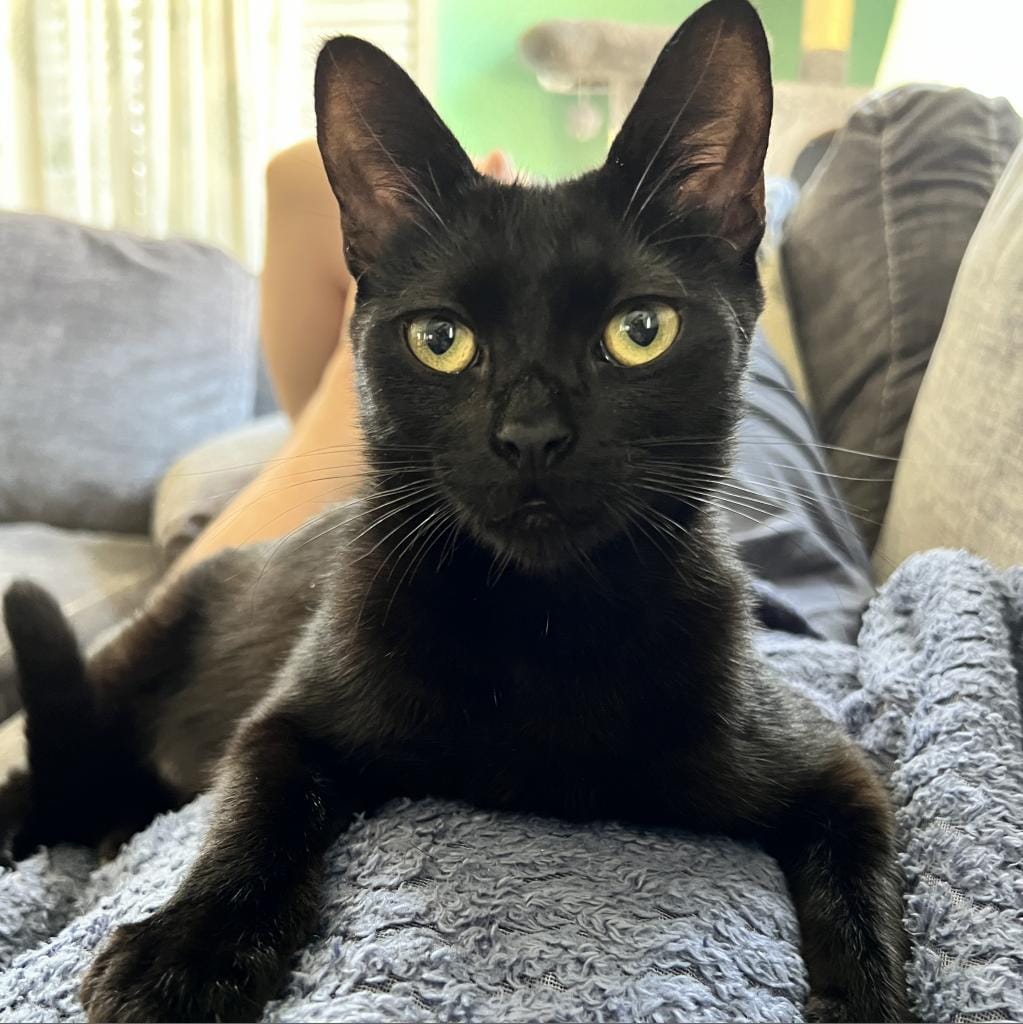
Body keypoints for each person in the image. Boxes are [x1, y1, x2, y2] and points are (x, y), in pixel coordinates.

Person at [175, 139, 874, 644]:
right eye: (441, 338)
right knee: (302, 181)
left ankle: (361, 380)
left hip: (755, 566)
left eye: (638, 329)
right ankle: (388, 358)